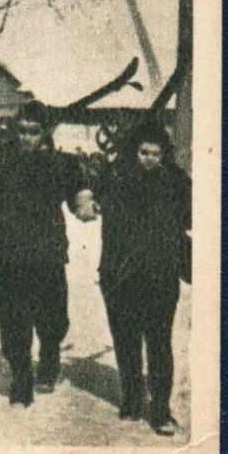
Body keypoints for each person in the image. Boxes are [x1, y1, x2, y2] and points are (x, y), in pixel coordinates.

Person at [82, 120, 192, 435]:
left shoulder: (176, 181)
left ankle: (160, 410)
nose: (149, 159)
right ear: (134, 152)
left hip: (160, 274)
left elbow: (192, 217)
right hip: (120, 275)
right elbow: (88, 195)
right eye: (144, 152)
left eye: (156, 153)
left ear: (164, 154)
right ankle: (131, 398)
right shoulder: (115, 178)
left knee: (159, 343)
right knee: (126, 340)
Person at [0, 101, 92, 407]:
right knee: (10, 315)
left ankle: (49, 357)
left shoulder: (62, 163)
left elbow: (78, 188)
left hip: (46, 252)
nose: (26, 137)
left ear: (45, 133)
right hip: (8, 249)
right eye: (22, 131)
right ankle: (20, 376)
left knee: (51, 315)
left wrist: (83, 203)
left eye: (33, 132)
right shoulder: (4, 159)